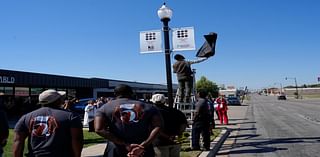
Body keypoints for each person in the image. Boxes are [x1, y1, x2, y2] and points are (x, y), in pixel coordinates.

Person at [94, 84, 162, 157]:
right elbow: (158, 126)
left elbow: (99, 129)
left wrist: (124, 144)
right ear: (131, 93)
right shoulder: (149, 106)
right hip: (143, 149)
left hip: (116, 148)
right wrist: (144, 145)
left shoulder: (105, 108)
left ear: (115, 94)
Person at [13, 89, 83, 157]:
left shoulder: (26, 117)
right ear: (57, 100)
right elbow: (77, 139)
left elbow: (18, 141)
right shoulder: (71, 116)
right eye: (60, 98)